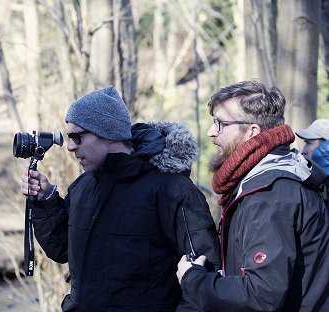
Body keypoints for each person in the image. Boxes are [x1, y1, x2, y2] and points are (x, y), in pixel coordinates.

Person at [20, 86, 221, 311]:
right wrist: (46, 199)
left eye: (77, 136)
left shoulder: (171, 189)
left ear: (108, 134)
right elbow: (61, 249)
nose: (70, 147)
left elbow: (205, 274)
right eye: (69, 137)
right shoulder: (83, 187)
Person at [176, 80, 329, 312]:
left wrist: (194, 280)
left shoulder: (270, 195)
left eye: (221, 123)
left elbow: (262, 294)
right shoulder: (267, 180)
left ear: (252, 131)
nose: (211, 133)